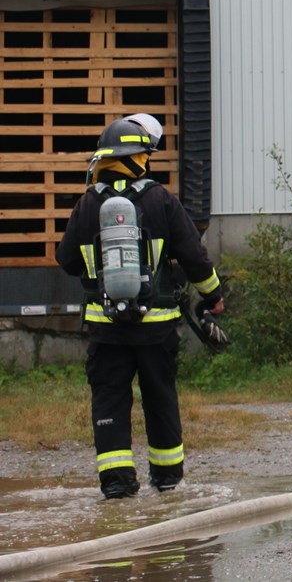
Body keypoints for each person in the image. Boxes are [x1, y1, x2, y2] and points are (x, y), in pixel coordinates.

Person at [56, 118, 224, 499]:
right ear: (140, 158)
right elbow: (194, 257)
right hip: (156, 327)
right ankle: (166, 480)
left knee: (110, 399)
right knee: (159, 397)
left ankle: (117, 484)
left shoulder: (89, 203)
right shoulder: (159, 198)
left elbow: (66, 259)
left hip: (106, 328)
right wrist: (213, 297)